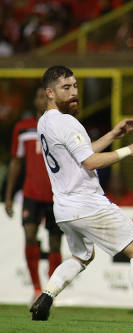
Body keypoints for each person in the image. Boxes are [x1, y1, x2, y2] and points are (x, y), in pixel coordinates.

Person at [30, 65, 133, 326]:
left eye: (75, 86)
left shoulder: (45, 122)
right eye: (66, 88)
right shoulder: (66, 121)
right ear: (49, 92)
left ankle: (46, 297)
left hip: (64, 207)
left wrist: (113, 135)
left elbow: (81, 153)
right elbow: (90, 162)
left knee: (82, 257)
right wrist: (129, 149)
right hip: (87, 203)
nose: (74, 92)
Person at [4, 87, 63, 302]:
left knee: (55, 243)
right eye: (39, 96)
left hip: (56, 195)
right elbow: (16, 162)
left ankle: (50, 292)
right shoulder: (23, 128)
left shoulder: (61, 126)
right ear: (34, 101)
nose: (43, 100)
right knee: (30, 236)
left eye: (46, 96)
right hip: (31, 193)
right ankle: (37, 289)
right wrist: (8, 195)